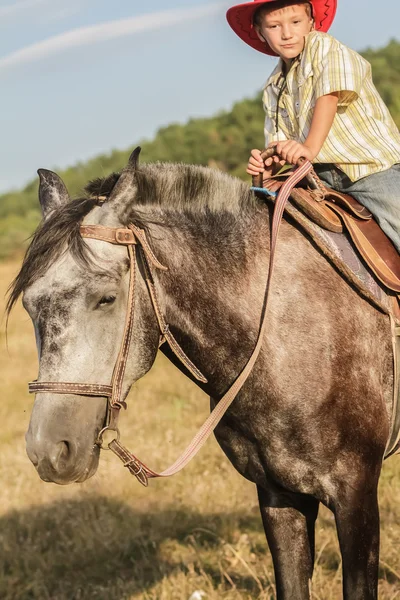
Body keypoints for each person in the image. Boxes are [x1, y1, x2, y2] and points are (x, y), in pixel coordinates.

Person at [226, 0, 400, 252]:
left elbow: (328, 96)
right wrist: (268, 165)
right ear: (260, 32)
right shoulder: (274, 85)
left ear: (311, 22)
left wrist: (309, 147)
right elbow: (280, 142)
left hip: (369, 169)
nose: (287, 33)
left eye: (296, 22)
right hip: (316, 178)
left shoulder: (325, 48)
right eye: (274, 26)